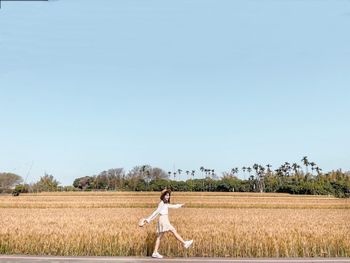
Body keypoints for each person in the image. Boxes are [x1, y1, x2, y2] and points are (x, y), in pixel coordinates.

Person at [139, 188, 193, 259]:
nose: (168, 197)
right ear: (163, 196)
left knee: (159, 237)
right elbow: (156, 212)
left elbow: (172, 206)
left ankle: (155, 252)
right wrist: (148, 219)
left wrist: (180, 205)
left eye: (169, 195)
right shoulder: (161, 203)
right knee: (173, 230)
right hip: (163, 220)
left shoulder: (165, 203)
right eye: (166, 195)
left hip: (163, 219)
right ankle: (185, 243)